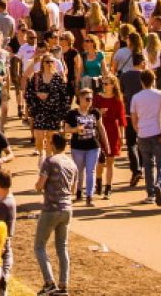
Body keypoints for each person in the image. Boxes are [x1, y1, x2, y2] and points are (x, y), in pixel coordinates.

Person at [34, 132, 76, 293]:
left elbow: (40, 184)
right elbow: (73, 188)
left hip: (51, 208)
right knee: (62, 247)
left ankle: (49, 281)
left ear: (52, 145)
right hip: (67, 209)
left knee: (39, 246)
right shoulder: (71, 164)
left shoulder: (49, 162)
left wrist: (38, 187)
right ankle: (63, 284)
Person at [129, 69, 161, 206]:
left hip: (144, 133)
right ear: (153, 80)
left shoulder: (136, 97)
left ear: (141, 82)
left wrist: (138, 130)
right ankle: (159, 183)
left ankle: (150, 194)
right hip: (160, 133)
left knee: (148, 164)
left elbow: (133, 117)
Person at [66, 88, 108, 205]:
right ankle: (79, 191)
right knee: (79, 171)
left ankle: (89, 196)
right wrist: (75, 129)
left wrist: (106, 144)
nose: (90, 101)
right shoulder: (72, 114)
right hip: (77, 147)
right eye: (87, 99)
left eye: (91, 99)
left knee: (91, 170)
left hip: (93, 146)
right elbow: (66, 129)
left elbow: (101, 128)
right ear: (80, 99)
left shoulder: (95, 112)